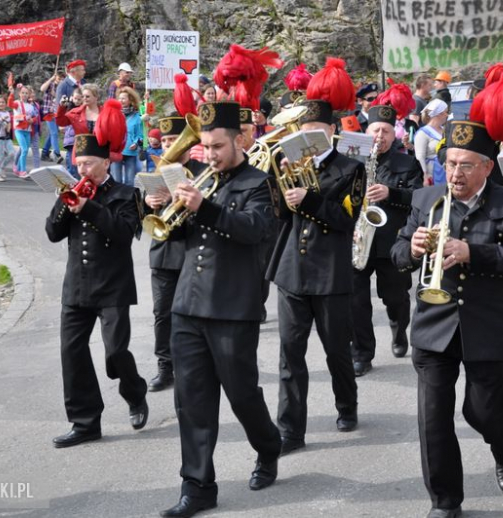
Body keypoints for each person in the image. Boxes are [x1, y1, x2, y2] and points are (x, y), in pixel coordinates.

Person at [391, 96, 503, 518]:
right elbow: (399, 251)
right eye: (450, 163)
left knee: (485, 411)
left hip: (485, 324)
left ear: (487, 168)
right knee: (433, 420)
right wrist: (412, 248)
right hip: (433, 324)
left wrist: (474, 252)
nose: (455, 173)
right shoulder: (425, 199)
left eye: (466, 165)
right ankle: (445, 502)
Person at [159, 101, 282, 517]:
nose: (208, 154)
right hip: (189, 304)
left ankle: (268, 446)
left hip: (233, 307)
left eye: (216, 146)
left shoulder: (259, 182)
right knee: (191, 400)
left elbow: (254, 230)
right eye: (205, 147)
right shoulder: (197, 179)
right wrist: (163, 209)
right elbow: (175, 240)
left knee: (242, 395)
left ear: (239, 140)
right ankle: (197, 487)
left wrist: (203, 208)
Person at [266, 58, 365, 456]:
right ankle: (290, 430)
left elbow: (345, 218)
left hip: (330, 272)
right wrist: (279, 179)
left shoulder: (351, 169)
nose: (308, 138)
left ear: (332, 131)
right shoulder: (291, 165)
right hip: (292, 269)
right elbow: (276, 215)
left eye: (316, 131)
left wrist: (309, 199)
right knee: (290, 355)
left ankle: (347, 404)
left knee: (336, 350)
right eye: (303, 132)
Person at [44, 131, 148, 449]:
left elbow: (122, 233)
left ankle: (134, 392)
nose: (83, 170)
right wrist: (66, 202)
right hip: (77, 284)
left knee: (115, 352)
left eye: (89, 163)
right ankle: (85, 422)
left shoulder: (127, 194)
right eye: (78, 164)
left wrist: (88, 208)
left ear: (106, 162)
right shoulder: (72, 189)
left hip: (113, 285)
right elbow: (52, 233)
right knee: (71, 353)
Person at [351, 105, 424, 377]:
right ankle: (362, 353)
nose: (380, 135)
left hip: (390, 239)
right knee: (355, 301)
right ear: (366, 132)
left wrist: (391, 193)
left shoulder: (407, 163)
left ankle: (398, 326)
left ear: (394, 135)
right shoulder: (353, 161)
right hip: (359, 240)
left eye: (386, 131)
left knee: (395, 297)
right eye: (375, 130)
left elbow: (418, 197)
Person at [144, 114, 206, 392]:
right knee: (162, 313)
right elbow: (140, 222)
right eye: (166, 141)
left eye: (174, 140)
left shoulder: (203, 171)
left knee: (197, 312)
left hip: (194, 252)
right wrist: (147, 203)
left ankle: (196, 364)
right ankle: (165, 366)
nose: (169, 145)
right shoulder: (153, 173)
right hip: (164, 253)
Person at [112, 87, 143, 185]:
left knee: (130, 181)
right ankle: (117, 199)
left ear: (130, 100)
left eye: (124, 98)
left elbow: (140, 135)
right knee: (117, 181)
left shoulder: (137, 117)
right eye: (119, 98)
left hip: (130, 152)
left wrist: (136, 143)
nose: (121, 101)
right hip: (116, 152)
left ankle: (128, 200)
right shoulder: (114, 114)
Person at [415, 99, 448, 185]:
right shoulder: (422, 133)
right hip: (432, 172)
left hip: (446, 169)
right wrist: (425, 175)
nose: (447, 115)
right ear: (438, 114)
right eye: (445, 112)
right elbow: (420, 157)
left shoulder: (445, 130)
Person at [9, 85, 39, 178]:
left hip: (28, 130)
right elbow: (10, 104)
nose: (24, 95)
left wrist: (32, 120)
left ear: (29, 94)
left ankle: (18, 169)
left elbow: (35, 116)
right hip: (19, 130)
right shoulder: (17, 103)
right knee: (25, 149)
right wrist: (11, 94)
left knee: (24, 150)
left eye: (26, 93)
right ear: (19, 93)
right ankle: (23, 171)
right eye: (22, 93)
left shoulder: (30, 106)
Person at [40, 71, 65, 163]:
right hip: (48, 112)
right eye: (59, 78)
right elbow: (42, 89)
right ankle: (57, 154)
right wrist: (51, 79)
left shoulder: (61, 88)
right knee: (54, 133)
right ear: (56, 78)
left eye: (62, 79)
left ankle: (45, 152)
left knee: (52, 133)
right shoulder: (50, 85)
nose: (60, 80)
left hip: (57, 113)